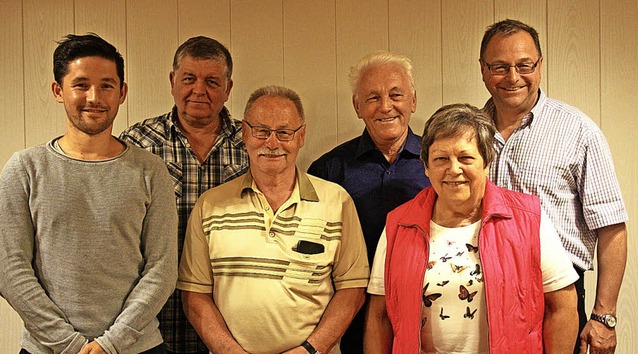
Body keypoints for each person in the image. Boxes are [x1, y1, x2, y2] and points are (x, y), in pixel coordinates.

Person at [0, 34, 177, 353]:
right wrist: (67, 343)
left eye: (107, 85)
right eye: (81, 85)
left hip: (137, 346)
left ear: (122, 93)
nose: (94, 97)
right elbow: (9, 266)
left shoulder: (151, 171)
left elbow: (162, 268)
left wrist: (112, 343)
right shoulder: (25, 168)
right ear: (58, 90)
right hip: (49, 348)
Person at [364, 103, 578, 353]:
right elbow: (380, 318)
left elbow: (562, 307)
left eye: (465, 158)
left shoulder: (529, 219)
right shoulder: (399, 225)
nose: (453, 169)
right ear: (426, 166)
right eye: (441, 158)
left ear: (486, 162)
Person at [177, 85, 369, 354]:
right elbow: (194, 296)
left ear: (301, 136)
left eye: (284, 132)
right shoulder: (210, 206)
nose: (272, 143)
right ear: (244, 133)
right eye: (262, 131)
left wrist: (311, 350)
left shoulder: (337, 202)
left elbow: (353, 289)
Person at [478, 19, 628, 354]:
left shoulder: (578, 132)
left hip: (556, 295)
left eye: (524, 65)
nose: (513, 77)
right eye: (500, 67)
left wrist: (605, 316)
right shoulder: (469, 133)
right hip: (481, 294)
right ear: (484, 70)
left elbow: (612, 228)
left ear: (540, 65)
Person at [120, 36, 249, 354]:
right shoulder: (136, 144)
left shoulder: (253, 144)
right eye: (189, 79)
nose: (199, 90)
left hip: (231, 318)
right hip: (150, 318)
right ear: (172, 81)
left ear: (228, 88)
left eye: (212, 81)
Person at [307, 51, 430, 352]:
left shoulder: (439, 162)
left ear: (413, 101)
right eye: (373, 97)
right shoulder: (328, 170)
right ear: (357, 106)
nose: (386, 106)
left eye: (396, 95)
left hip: (429, 309)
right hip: (357, 315)